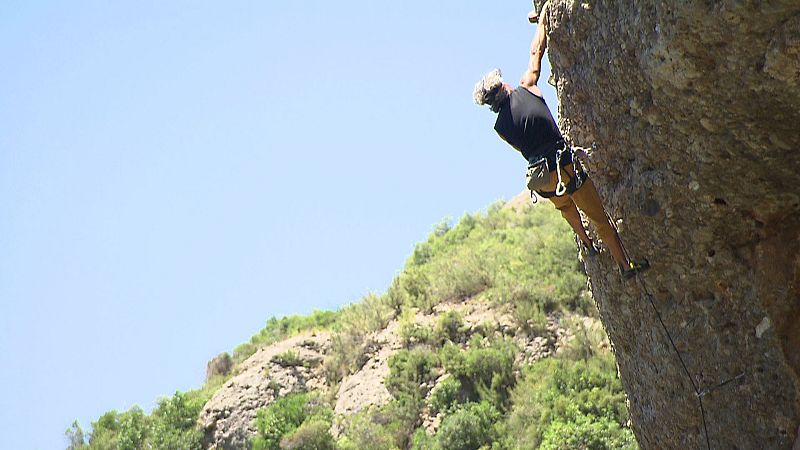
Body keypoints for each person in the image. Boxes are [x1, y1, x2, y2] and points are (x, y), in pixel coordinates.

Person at [472, 1, 649, 280]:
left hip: (540, 177)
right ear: (503, 86)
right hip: (561, 164)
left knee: (566, 205)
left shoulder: (500, 126)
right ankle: (626, 266)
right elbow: (535, 52)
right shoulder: (527, 87)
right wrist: (544, 17)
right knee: (600, 218)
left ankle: (587, 244)